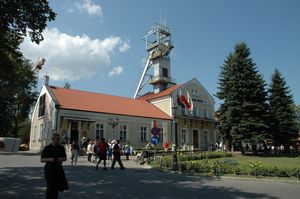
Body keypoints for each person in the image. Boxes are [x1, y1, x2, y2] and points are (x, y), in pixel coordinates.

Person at [41, 133, 69, 199]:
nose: (58, 140)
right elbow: (41, 159)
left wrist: (60, 159)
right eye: (57, 139)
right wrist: (49, 159)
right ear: (53, 139)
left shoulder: (61, 148)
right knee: (50, 185)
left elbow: (65, 158)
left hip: (58, 168)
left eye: (59, 139)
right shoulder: (47, 148)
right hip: (49, 169)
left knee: (57, 186)